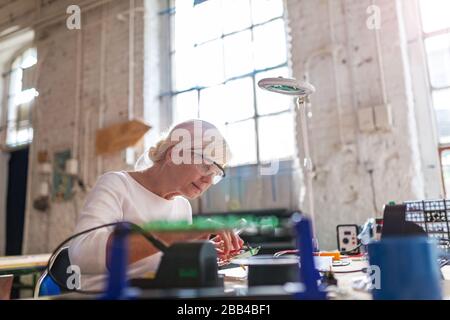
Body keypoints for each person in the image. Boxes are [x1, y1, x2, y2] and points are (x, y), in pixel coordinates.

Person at [69, 119, 243, 291]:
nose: (208, 180)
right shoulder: (117, 184)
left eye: (215, 174)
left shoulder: (182, 206)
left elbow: (169, 269)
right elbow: (81, 256)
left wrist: (199, 253)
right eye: (206, 166)